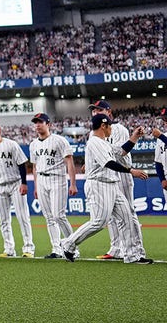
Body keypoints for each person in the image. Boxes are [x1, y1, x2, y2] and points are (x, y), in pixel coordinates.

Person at [61, 113, 152, 264]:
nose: (111, 129)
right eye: (109, 125)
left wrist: (134, 137)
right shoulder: (94, 142)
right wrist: (131, 171)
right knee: (98, 222)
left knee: (126, 217)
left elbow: (121, 151)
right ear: (103, 126)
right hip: (98, 184)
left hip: (112, 184)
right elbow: (109, 163)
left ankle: (132, 256)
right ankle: (68, 244)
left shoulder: (104, 143)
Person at [0, 117, 35, 258]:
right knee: (3, 220)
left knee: (23, 216)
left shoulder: (11, 144)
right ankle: (9, 248)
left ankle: (28, 248)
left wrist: (24, 183)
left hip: (15, 183)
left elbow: (22, 164)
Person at [29, 113, 78, 259]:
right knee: (49, 218)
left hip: (57, 179)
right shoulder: (33, 144)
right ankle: (57, 249)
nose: (37, 125)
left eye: (40, 122)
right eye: (35, 122)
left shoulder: (59, 141)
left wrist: (73, 183)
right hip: (42, 180)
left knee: (59, 216)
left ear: (48, 124)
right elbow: (34, 167)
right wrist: (36, 187)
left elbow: (69, 162)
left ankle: (72, 247)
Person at [91, 100, 134, 261]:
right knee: (112, 214)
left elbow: (118, 153)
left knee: (128, 212)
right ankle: (116, 248)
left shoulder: (119, 129)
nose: (96, 112)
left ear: (109, 112)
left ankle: (132, 248)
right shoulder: (94, 132)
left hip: (122, 172)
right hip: (106, 173)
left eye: (99, 110)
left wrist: (100, 156)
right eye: (94, 110)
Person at [154, 108, 167, 206]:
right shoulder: (160, 139)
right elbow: (158, 162)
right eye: (164, 119)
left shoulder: (161, 137)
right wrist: (162, 179)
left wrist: (161, 136)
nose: (165, 122)